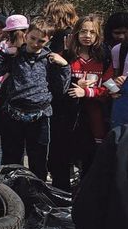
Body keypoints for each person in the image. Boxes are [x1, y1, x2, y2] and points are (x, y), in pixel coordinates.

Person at [0, 19, 71, 180]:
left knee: (38, 160)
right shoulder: (16, 55)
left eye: (41, 41)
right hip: (13, 112)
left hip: (39, 114)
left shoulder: (49, 59)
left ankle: (37, 196)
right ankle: (10, 193)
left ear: (48, 39)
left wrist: (64, 66)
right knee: (11, 158)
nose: (36, 43)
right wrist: (4, 53)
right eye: (32, 38)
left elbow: (61, 88)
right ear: (26, 35)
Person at [49, 15, 114, 190]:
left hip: (93, 116)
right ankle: (60, 195)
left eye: (92, 32)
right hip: (66, 115)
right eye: (84, 31)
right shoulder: (66, 55)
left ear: (98, 35)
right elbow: (55, 85)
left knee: (90, 158)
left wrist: (86, 91)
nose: (87, 35)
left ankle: (84, 197)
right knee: (62, 157)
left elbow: (109, 88)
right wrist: (72, 81)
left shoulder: (104, 56)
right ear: (76, 33)